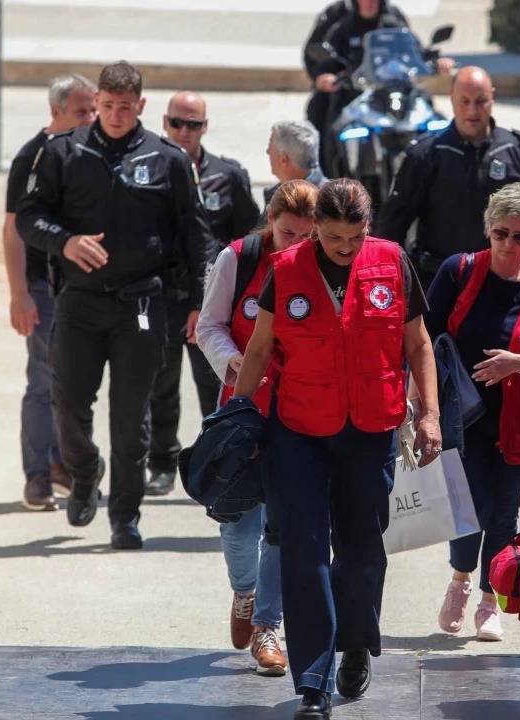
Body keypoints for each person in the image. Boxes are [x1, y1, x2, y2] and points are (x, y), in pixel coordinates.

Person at [230, 178, 441, 719]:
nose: (344, 249)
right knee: (303, 549)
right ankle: (313, 681)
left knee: (361, 548)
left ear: (368, 227)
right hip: (298, 428)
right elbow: (258, 349)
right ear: (316, 228)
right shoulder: (288, 268)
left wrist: (431, 415)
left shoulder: (393, 263)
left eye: (354, 237)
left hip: (370, 428)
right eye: (331, 238)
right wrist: (234, 415)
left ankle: (353, 643)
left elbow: (417, 344)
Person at [16, 61, 212, 550]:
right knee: (68, 403)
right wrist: (65, 242)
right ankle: (84, 475)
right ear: (97, 103)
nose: (116, 115)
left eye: (126, 107)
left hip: (142, 304)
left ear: (141, 105)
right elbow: (29, 219)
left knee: (131, 416)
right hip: (79, 301)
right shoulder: (65, 152)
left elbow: (195, 236)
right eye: (108, 106)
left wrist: (197, 302)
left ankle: (125, 515)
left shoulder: (166, 158)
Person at [422, 183, 520, 642]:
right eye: (501, 233)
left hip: (516, 424)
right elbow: (422, 337)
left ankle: (490, 601)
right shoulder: (459, 272)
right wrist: (418, 402)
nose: (509, 244)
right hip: (459, 419)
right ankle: (461, 581)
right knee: (467, 510)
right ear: (488, 229)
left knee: (503, 514)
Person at [195, 181, 320, 678]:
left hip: (301, 412)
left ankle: (268, 626)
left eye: (305, 237)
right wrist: (235, 365)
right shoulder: (239, 259)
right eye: (287, 232)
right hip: (244, 411)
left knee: (283, 526)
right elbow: (209, 327)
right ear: (270, 221)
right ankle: (244, 591)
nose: (295, 244)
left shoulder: (322, 263)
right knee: (238, 524)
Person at [145, 91, 260, 497]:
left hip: (212, 300)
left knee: (217, 382)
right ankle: (161, 461)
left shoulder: (227, 175)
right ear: (164, 122)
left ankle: (220, 457)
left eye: (193, 124)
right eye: (177, 123)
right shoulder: (151, 168)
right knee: (161, 382)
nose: (184, 131)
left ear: (205, 127)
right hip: (162, 294)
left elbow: (251, 236)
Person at [376, 67, 520, 289]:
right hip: (442, 283)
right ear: (451, 100)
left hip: (509, 284)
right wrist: (389, 282)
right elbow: (392, 225)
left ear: (492, 98)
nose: (473, 110)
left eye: (481, 101)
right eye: (464, 101)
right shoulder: (425, 154)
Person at [2, 73, 96, 511]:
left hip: (81, 286)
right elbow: (13, 230)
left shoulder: (89, 151)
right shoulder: (32, 159)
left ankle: (64, 465)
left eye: (92, 109)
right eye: (81, 111)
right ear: (55, 112)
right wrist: (19, 293)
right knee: (44, 380)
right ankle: (37, 475)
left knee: (73, 383)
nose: (91, 118)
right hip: (43, 286)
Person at [303, 0, 410, 170]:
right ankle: (325, 173)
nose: (369, 3)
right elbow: (321, 57)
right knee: (320, 111)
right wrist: (324, 76)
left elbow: (414, 50)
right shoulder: (340, 22)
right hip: (352, 94)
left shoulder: (394, 21)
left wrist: (435, 61)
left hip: (390, 93)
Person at [264, 120, 328, 208]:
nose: (267, 152)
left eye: (270, 146)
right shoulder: (274, 195)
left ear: (283, 160)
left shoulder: (328, 204)